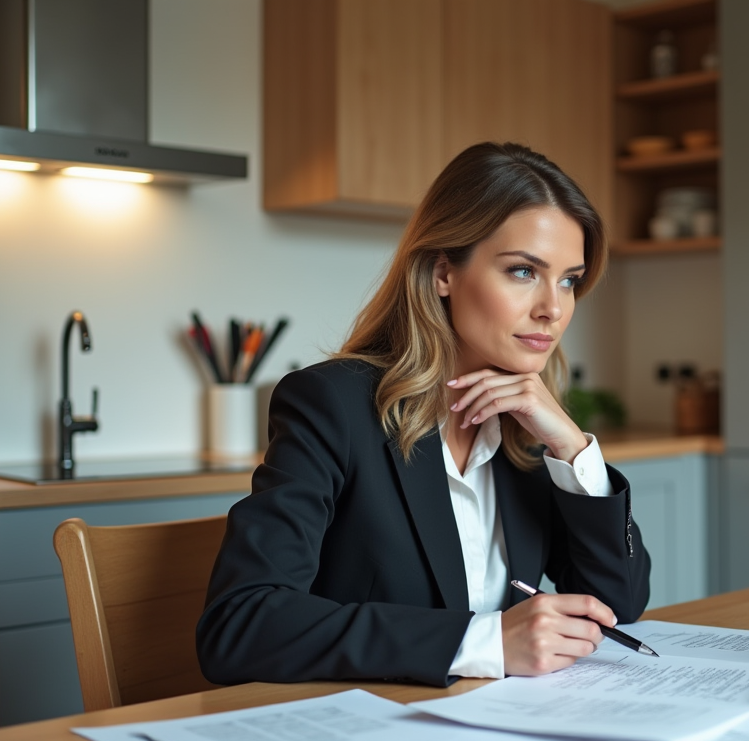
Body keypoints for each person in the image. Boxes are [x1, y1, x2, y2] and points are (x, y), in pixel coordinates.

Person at [196, 142, 650, 688]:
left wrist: (574, 450)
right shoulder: (332, 405)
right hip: (368, 735)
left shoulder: (527, 429)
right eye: (524, 271)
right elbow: (240, 627)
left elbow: (616, 605)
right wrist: (485, 642)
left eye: (569, 279)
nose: (553, 308)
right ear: (443, 273)